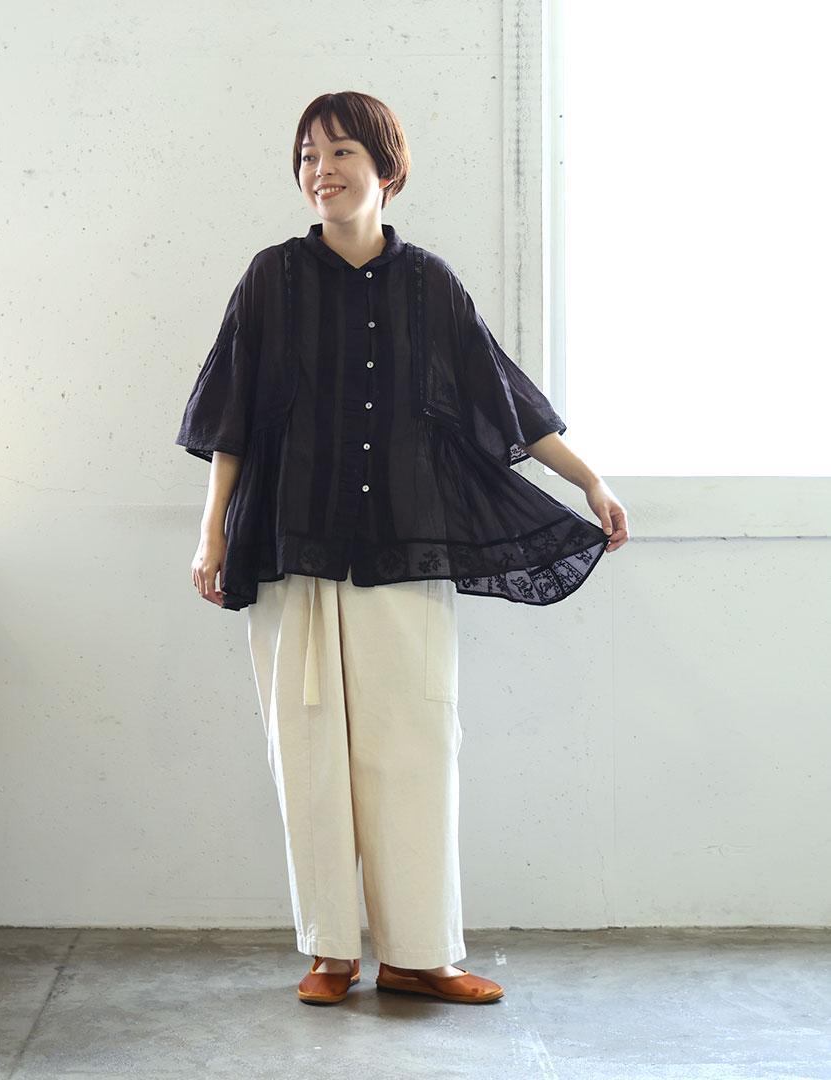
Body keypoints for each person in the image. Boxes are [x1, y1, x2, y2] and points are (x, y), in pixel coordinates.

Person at [176, 91, 630, 1006]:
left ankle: (421, 956)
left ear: (387, 167)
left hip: (406, 544)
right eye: (308, 155)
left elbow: (501, 396)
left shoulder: (429, 283)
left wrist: (588, 479)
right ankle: (330, 954)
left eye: (342, 151)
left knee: (414, 748)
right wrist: (212, 526)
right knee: (308, 751)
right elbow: (232, 415)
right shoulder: (271, 277)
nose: (322, 170)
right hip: (292, 542)